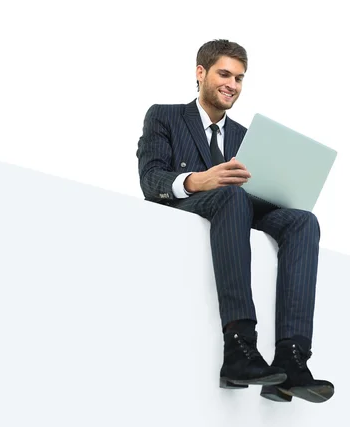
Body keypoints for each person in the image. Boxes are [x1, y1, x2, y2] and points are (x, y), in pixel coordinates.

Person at [136, 39, 334, 403]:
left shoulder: (246, 136)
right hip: (190, 206)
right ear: (200, 73)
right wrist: (198, 180)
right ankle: (239, 348)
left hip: (238, 209)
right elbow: (150, 179)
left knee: (304, 221)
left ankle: (292, 361)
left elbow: (253, 198)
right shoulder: (164, 116)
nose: (232, 85)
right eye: (224, 74)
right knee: (231, 195)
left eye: (239, 78)